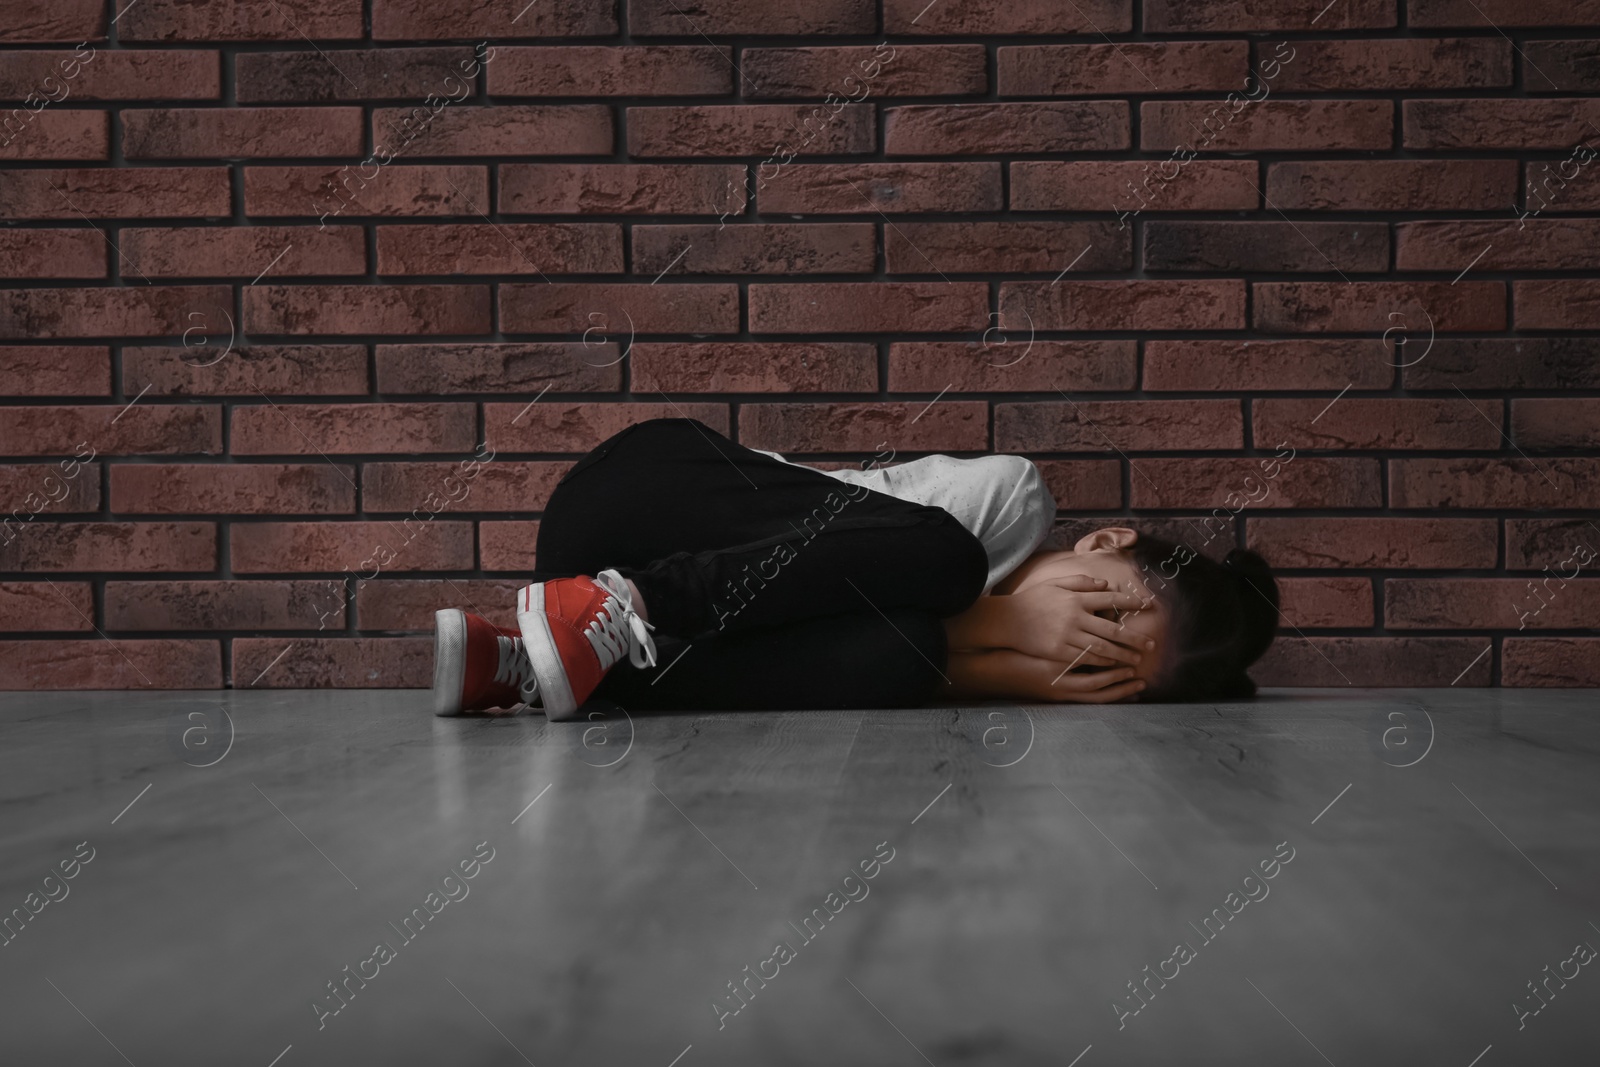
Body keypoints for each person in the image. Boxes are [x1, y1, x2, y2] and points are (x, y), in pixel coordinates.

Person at [430, 418, 1279, 719]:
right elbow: (825, 528)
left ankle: (526, 669)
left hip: (598, 628)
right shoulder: (1011, 509)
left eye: (1103, 667)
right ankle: (625, 601)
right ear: (1105, 544)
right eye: (1112, 615)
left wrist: (1003, 670)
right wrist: (1007, 624)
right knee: (949, 561)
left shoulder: (933, 656)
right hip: (642, 496)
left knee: (897, 655)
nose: (1082, 643)